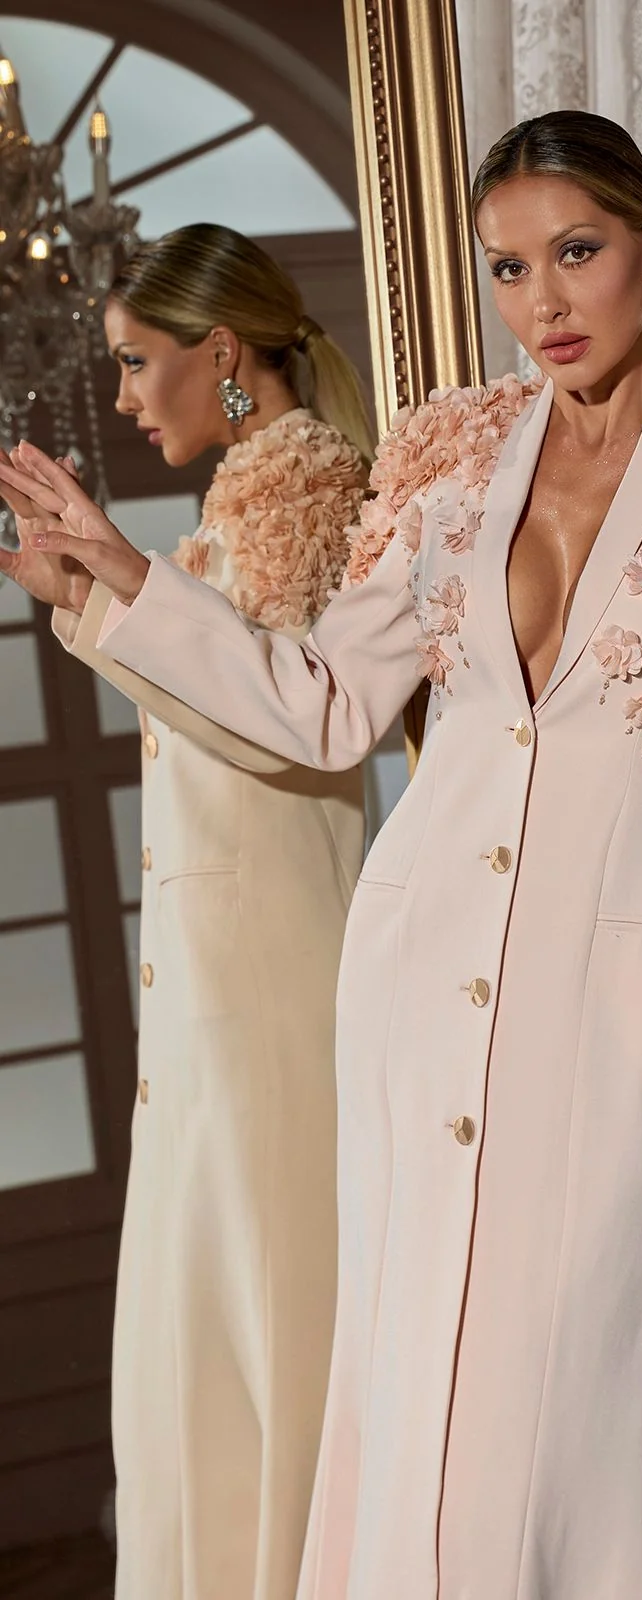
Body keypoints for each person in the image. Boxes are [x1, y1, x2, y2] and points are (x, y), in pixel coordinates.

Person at [0, 116, 642, 1600]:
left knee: (546, 1416)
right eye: (508, 267)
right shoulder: (451, 456)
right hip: (409, 962)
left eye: (578, 251)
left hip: (608, 1004)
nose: (542, 302)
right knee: (399, 1387)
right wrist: (123, 580)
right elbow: (323, 708)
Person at [0, 224, 371, 1600]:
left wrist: (120, 579)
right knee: (215, 1311)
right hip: (228, 969)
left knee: (263, 1308)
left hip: (271, 968)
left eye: (135, 362)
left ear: (220, 353)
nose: (122, 397)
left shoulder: (302, 480)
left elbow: (290, 728)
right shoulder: (247, 492)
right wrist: (89, 602)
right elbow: (230, 710)